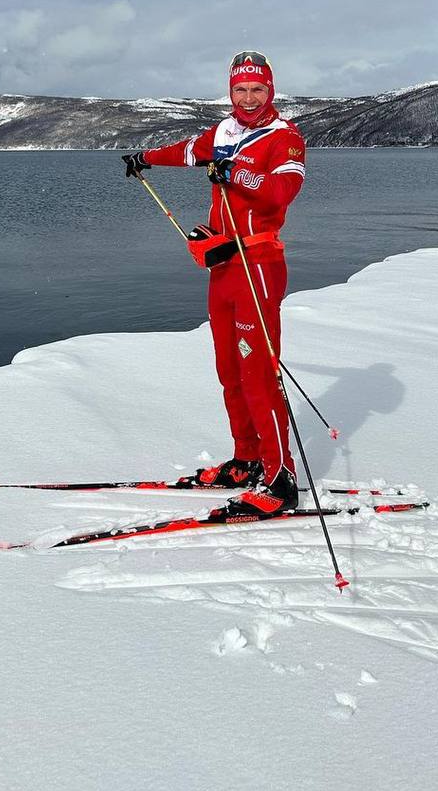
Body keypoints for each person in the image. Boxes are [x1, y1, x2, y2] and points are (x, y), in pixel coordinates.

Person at [122, 50, 306, 517]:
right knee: (228, 368)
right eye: (241, 89)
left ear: (271, 91)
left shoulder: (284, 139)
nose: (248, 98)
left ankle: (280, 476)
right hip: (223, 264)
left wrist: (236, 172)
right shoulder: (224, 132)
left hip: (259, 264)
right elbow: (188, 151)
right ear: (231, 92)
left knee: (258, 372)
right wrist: (144, 157)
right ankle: (246, 460)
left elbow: (282, 190)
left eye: (257, 90)